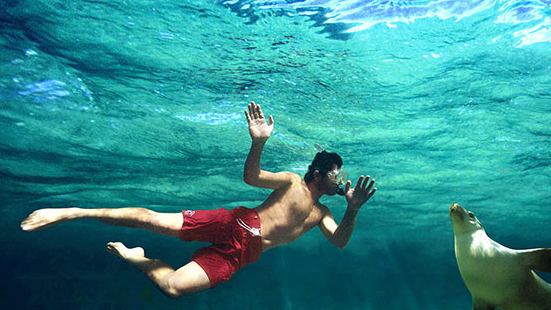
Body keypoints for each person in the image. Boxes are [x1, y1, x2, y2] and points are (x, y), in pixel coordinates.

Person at [20, 102, 377, 297]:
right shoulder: (291, 182)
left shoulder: (323, 212)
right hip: (235, 222)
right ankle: (71, 212)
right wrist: (258, 142)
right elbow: (251, 178)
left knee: (174, 288)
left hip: (242, 255)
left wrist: (353, 208)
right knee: (151, 219)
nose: (342, 180)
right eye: (337, 174)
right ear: (318, 172)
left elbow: (341, 241)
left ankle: (138, 258)